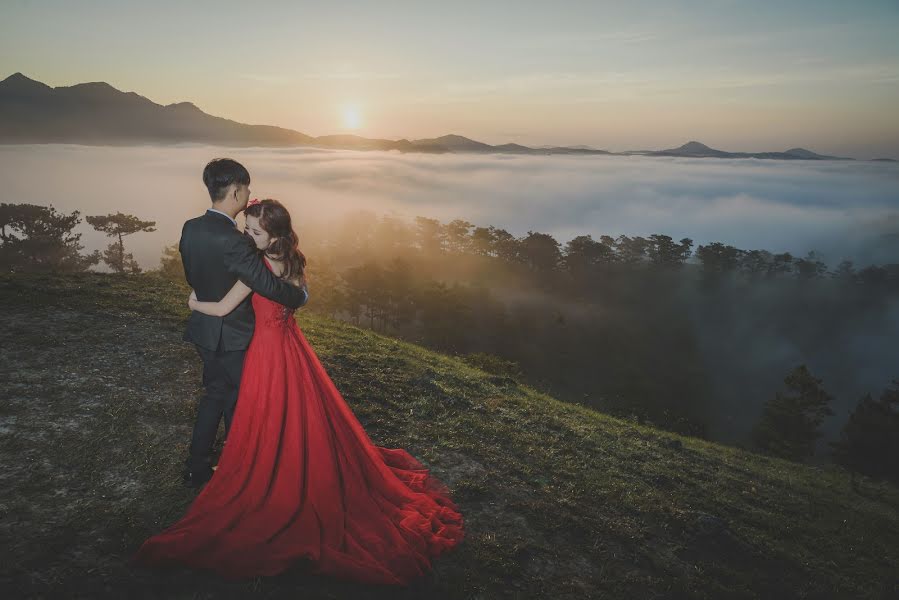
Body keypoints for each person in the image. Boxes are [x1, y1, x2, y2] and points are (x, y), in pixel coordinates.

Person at [133, 198, 465, 585]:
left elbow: (223, 308)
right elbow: (299, 297)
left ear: (272, 234)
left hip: (266, 353)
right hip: (291, 347)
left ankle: (266, 471)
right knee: (297, 414)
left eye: (255, 231)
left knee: (267, 415)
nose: (247, 237)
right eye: (247, 229)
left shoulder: (259, 266)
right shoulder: (292, 258)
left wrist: (193, 302)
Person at [178, 159, 309, 488]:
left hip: (203, 330)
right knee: (240, 402)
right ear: (235, 190)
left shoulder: (190, 227)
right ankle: (242, 470)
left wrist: (197, 301)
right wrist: (301, 297)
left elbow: (194, 276)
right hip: (233, 335)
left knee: (214, 395)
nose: (249, 193)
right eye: (247, 188)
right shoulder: (236, 241)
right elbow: (267, 285)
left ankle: (197, 467)